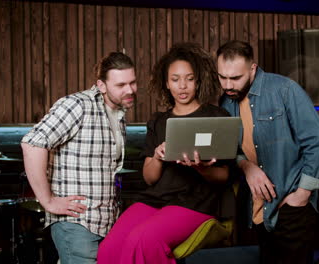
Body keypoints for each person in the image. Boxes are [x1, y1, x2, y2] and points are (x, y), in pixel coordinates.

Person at [97, 42, 234, 264]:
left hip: (196, 202)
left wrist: (200, 167)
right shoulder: (159, 121)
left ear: (198, 81)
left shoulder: (216, 117)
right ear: (166, 83)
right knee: (109, 249)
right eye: (175, 79)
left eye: (189, 79)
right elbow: (150, 178)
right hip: (155, 199)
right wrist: (158, 156)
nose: (183, 86)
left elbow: (224, 177)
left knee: (144, 240)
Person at [217, 40, 319, 264]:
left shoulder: (284, 89)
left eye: (235, 78)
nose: (228, 85)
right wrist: (246, 165)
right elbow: (232, 148)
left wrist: (301, 195)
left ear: (252, 68)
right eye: (222, 77)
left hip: (291, 203)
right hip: (258, 207)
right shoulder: (226, 101)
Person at [21, 52, 137, 264]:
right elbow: (32, 143)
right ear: (101, 86)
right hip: (77, 224)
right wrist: (47, 201)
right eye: (121, 85)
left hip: (105, 223)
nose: (129, 90)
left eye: (132, 82)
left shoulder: (118, 113)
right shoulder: (78, 105)